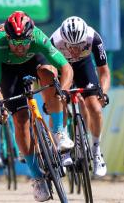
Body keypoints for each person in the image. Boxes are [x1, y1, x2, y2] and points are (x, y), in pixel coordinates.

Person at [0, 11, 74, 202]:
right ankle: (37, 177)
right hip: (8, 70)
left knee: (48, 72)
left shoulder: (38, 38)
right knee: (20, 120)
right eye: (15, 43)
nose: (20, 48)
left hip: (34, 60)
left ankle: (59, 132)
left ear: (31, 36)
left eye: (24, 42)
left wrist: (64, 90)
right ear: (7, 38)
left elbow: (66, 68)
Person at [50, 16, 110, 177]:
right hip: (62, 67)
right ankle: (62, 148)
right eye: (70, 46)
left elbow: (104, 71)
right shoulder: (54, 41)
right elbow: (49, 72)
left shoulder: (94, 38)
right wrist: (53, 96)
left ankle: (96, 150)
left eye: (79, 45)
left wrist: (102, 93)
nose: (75, 50)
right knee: (58, 102)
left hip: (84, 66)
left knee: (95, 108)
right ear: (64, 40)